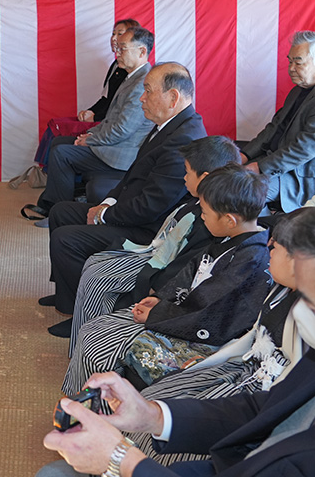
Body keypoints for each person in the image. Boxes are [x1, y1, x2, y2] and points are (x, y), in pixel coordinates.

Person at [38, 206, 315, 476]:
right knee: (139, 386)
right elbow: (263, 408)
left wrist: (121, 461)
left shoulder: (254, 262)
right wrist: (152, 415)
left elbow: (213, 318)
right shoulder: (286, 297)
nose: (303, 311)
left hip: (209, 342)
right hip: (227, 356)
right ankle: (88, 429)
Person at [62, 165, 271, 395]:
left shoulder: (250, 258)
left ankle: (95, 412)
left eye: (205, 212)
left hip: (205, 336)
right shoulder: (231, 239)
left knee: (99, 344)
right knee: (93, 328)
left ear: (230, 220)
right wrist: (160, 300)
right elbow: (191, 274)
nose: (201, 216)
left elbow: (210, 311)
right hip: (183, 314)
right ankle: (83, 402)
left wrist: (158, 315)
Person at [129, 208, 314, 467]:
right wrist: (205, 365)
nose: (269, 247)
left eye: (277, 247)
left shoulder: (304, 318)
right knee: (159, 395)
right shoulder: (280, 290)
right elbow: (251, 339)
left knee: (172, 437)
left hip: (262, 387)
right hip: (244, 366)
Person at [44, 63, 207, 336]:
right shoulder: (168, 126)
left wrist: (103, 216)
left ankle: (85, 318)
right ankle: (69, 299)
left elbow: (151, 207)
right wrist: (106, 204)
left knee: (66, 238)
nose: (142, 97)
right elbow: (131, 178)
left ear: (173, 97)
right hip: (133, 210)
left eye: (147, 91)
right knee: (60, 211)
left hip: (149, 230)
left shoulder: (183, 139)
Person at [66, 136, 241, 355]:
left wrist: (153, 285)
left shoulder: (210, 220)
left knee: (98, 278)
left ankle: (85, 342)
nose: (184, 177)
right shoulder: (197, 202)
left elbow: (183, 264)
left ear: (205, 178)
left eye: (187, 172)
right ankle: (80, 337)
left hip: (159, 267)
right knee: (95, 263)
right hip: (155, 254)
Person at [23, 26, 154, 221]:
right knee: (58, 142)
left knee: (62, 153)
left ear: (142, 51)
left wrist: (91, 140)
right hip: (115, 142)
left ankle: (59, 212)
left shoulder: (141, 83)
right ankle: (52, 204)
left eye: (122, 48)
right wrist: (90, 136)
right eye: (117, 48)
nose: (117, 52)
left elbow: (122, 129)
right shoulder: (131, 77)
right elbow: (111, 118)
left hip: (122, 152)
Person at [28, 19, 140, 173]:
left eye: (120, 35)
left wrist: (94, 118)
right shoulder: (116, 66)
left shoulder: (134, 76)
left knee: (57, 130)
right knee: (55, 126)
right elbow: (106, 98)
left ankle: (49, 172)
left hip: (107, 127)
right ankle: (48, 173)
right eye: (113, 34)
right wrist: (89, 111)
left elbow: (118, 115)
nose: (114, 39)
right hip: (102, 120)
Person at [241, 30, 315, 213]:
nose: (291, 68)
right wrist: (245, 155)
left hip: (297, 174)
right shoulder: (297, 91)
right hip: (272, 160)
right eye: (290, 61)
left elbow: (303, 149)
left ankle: (265, 233)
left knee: (241, 193)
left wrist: (260, 166)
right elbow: (273, 128)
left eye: (298, 62)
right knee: (224, 176)